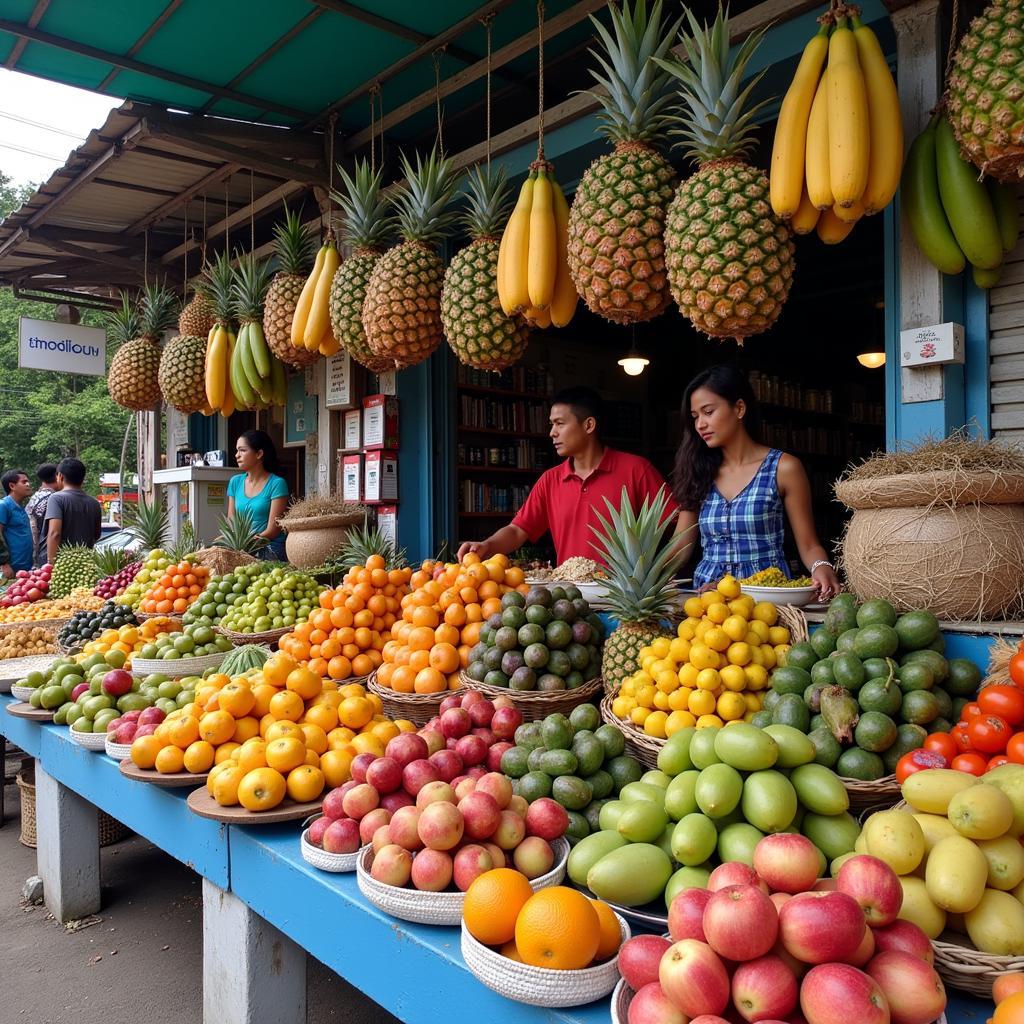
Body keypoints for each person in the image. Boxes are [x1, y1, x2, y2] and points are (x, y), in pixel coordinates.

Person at [670, 365, 842, 600]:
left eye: (708, 412)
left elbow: (809, 544)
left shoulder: (783, 468)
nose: (700, 424)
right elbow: (680, 547)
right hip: (708, 603)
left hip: (767, 600)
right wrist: (644, 577)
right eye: (695, 416)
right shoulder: (697, 471)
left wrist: (821, 566)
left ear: (739, 408)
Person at [457, 387, 676, 567]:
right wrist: (487, 545)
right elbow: (517, 530)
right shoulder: (550, 480)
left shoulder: (636, 469)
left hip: (623, 599)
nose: (552, 432)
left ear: (589, 425)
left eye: (560, 423)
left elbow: (677, 523)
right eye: (551, 424)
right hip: (568, 599)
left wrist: (660, 569)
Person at [227, 429, 289, 561]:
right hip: (241, 548)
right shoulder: (235, 482)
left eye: (242, 450)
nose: (237, 455)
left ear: (259, 453)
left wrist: (247, 545)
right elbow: (231, 520)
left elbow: (273, 530)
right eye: (237, 450)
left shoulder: (277, 484)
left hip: (269, 547)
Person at [45, 458, 102, 564]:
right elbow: (97, 535)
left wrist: (50, 562)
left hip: (64, 564)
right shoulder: (94, 503)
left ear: (60, 476)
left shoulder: (56, 498)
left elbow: (54, 533)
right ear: (83, 478)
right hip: (87, 563)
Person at [0, 469, 34, 576]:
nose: (28, 484)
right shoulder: (3, 505)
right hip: (10, 569)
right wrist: (4, 563)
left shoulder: (21, 508)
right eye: (24, 482)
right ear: (12, 486)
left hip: (25, 569)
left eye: (28, 481)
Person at [26, 463, 60, 567]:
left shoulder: (34, 498)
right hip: (50, 555)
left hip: (35, 555)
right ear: (57, 476)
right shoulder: (55, 499)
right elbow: (54, 533)